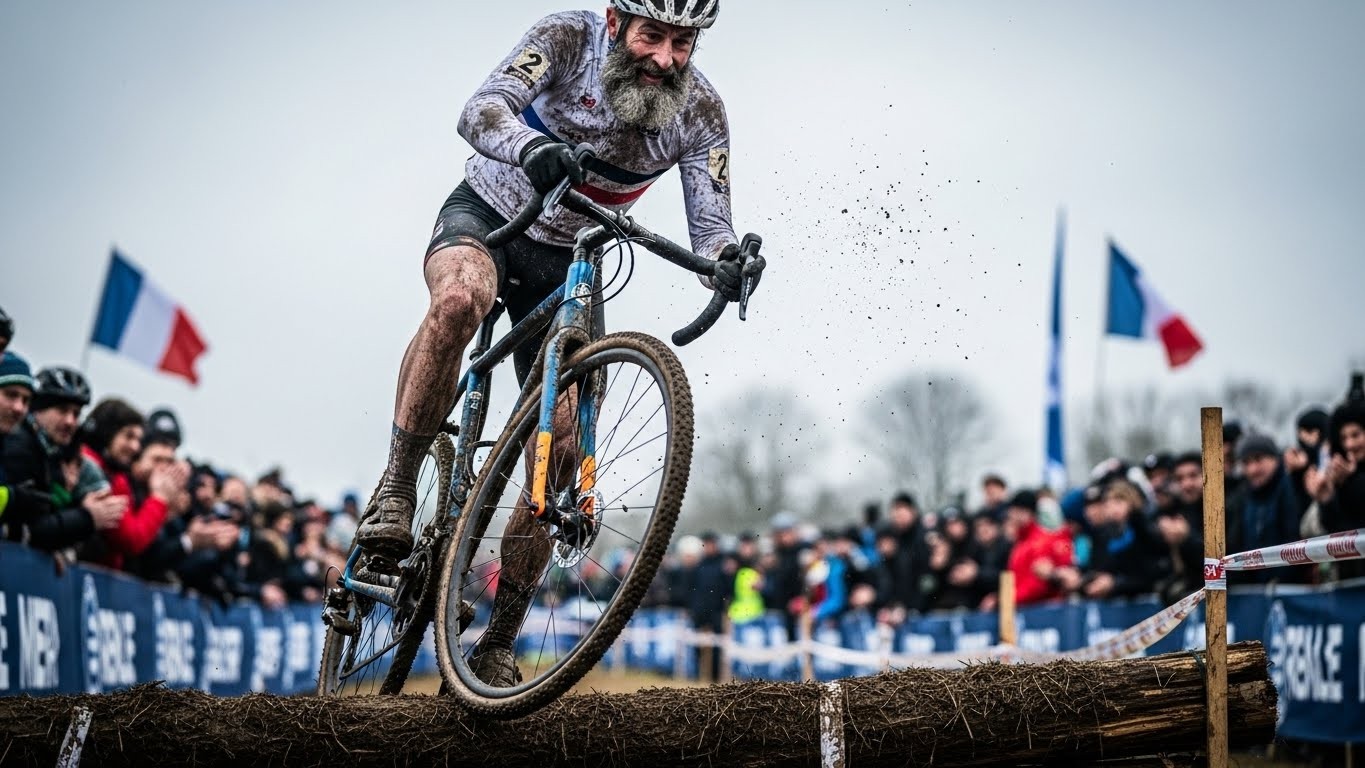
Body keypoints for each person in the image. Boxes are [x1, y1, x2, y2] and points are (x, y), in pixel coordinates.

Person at [1, 367, 125, 550]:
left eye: (76, 414)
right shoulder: (19, 447)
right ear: (37, 410)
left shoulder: (52, 453)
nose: (70, 421)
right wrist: (88, 516)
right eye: (62, 410)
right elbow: (33, 530)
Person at [78, 398, 189, 571]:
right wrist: (159, 499)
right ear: (108, 432)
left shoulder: (117, 476)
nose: (135, 446)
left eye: (138, 439)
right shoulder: (91, 467)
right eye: (128, 436)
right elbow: (130, 539)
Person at [1230, 434, 1308, 584]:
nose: (1253, 469)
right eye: (1246, 462)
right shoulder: (1244, 498)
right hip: (1257, 593)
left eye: (1259, 459)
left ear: (1274, 458)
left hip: (1292, 590)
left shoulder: (1291, 488)